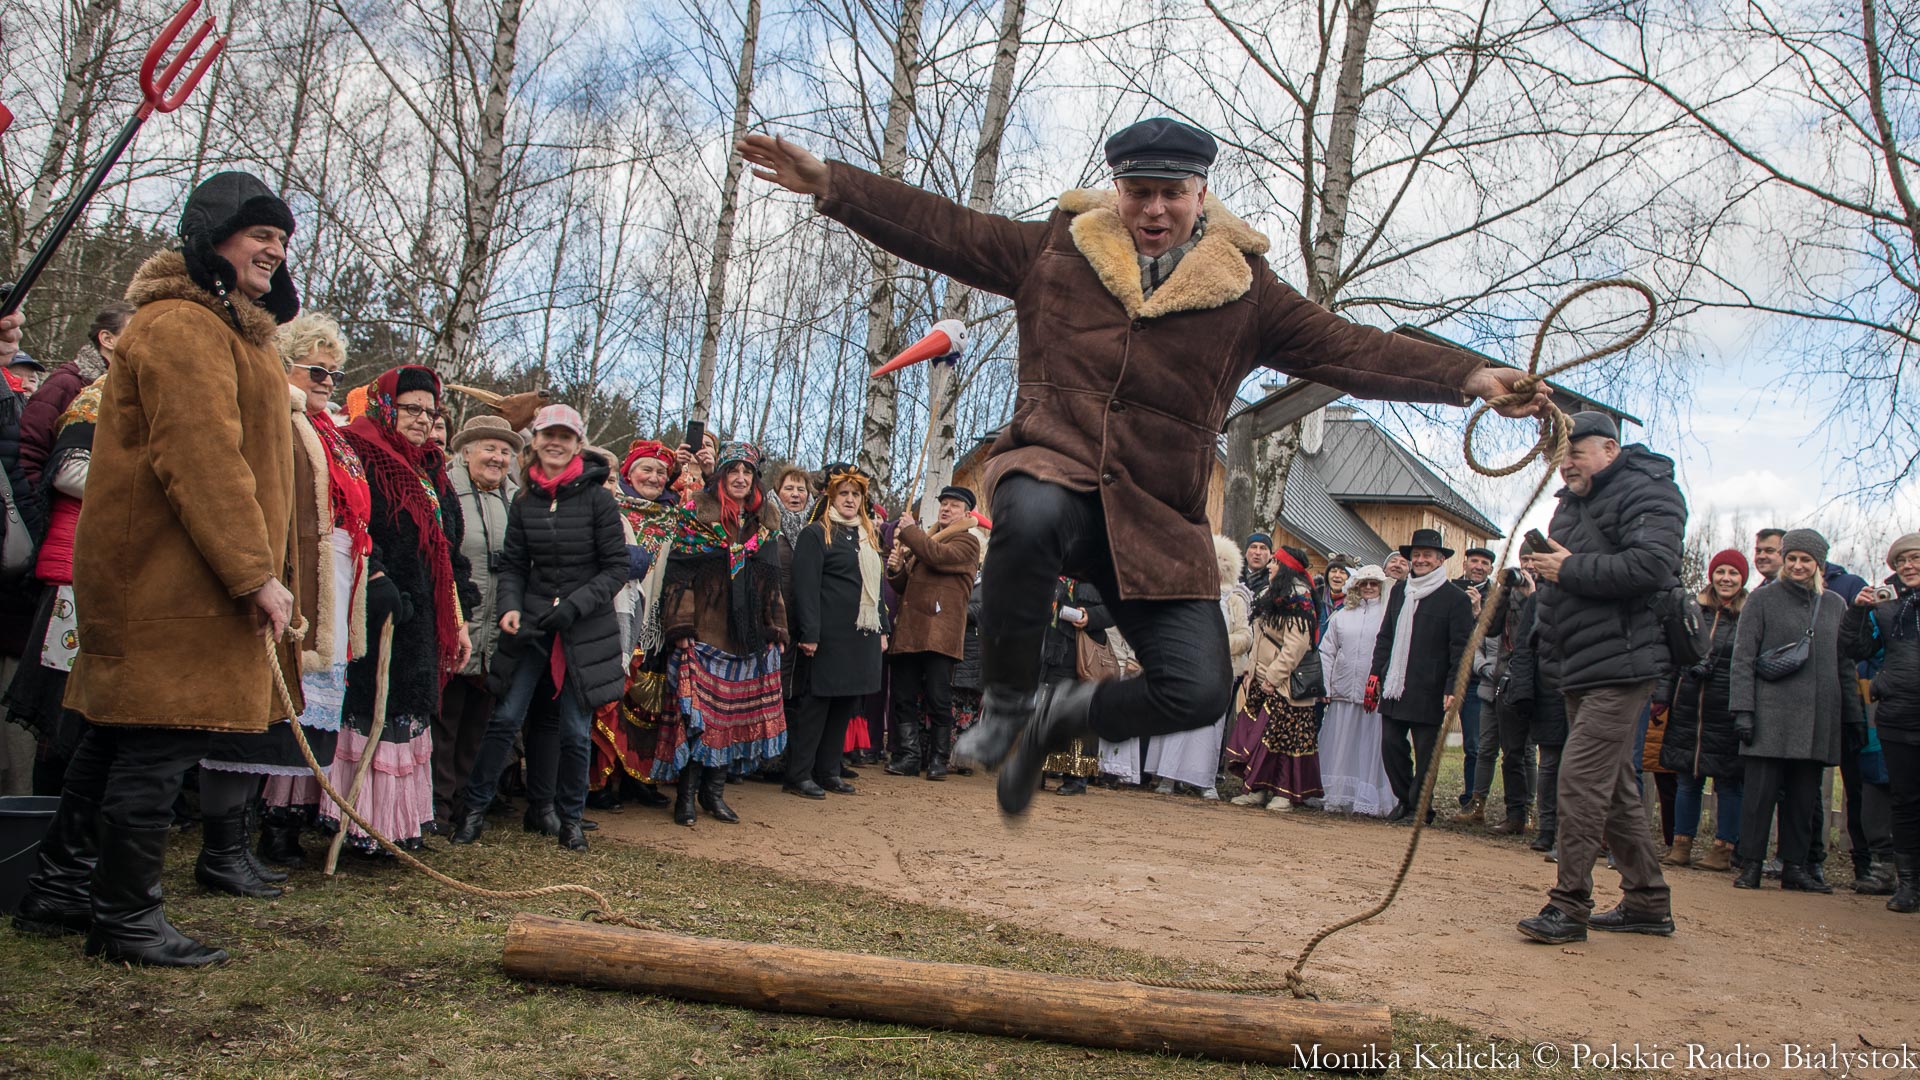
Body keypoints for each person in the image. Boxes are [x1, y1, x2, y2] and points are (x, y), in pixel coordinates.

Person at [738, 118, 1547, 817]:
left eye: (1172, 193)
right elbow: (946, 228)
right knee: (1030, 514)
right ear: (1116, 190)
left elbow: (1352, 348)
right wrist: (832, 184)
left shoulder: (1247, 292)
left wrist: (1467, 377)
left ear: (1201, 195)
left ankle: (1056, 719)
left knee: (1194, 689)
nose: (1153, 210)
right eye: (1138, 192)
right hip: (1053, 465)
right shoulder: (1055, 250)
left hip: (1157, 522)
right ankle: (1009, 702)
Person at [11, 172, 302, 964]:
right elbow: (201, 459)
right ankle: (127, 920)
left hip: (176, 576)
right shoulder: (182, 327)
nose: (275, 248)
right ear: (213, 237)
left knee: (113, 736)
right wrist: (253, 573)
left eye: (282, 238)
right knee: (154, 745)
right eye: (260, 233)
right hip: (167, 579)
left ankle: (64, 891)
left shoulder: (227, 333)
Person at [205, 314, 370, 885]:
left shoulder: (327, 429)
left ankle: (237, 844)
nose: (328, 379)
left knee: (286, 714)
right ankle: (220, 851)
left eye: (335, 370)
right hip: (282, 579)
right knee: (254, 713)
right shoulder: (276, 413)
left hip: (328, 587)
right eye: (316, 368)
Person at [1516, 411, 1683, 945]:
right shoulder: (1571, 505)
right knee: (1613, 790)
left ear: (1609, 450)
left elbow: (1653, 567)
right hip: (1577, 665)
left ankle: (1569, 906)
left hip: (1623, 663)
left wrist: (1566, 569)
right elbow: (1572, 571)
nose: (1564, 464)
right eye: (1559, 455)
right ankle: (1648, 902)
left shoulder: (1650, 492)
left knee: (1581, 778)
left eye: (1575, 452)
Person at [450, 405, 628, 851]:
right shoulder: (524, 499)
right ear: (536, 439)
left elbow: (615, 568)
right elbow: (513, 564)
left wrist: (574, 606)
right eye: (549, 434)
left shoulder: (599, 499)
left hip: (583, 628)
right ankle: (473, 811)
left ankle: (570, 819)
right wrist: (510, 605)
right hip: (531, 625)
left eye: (565, 437)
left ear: (577, 444)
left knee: (573, 727)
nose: (556, 443)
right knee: (506, 717)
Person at [320, 365, 476, 857]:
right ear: (387, 406)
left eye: (430, 411)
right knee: (369, 710)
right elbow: (350, 518)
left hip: (425, 615)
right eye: (411, 408)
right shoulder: (361, 451)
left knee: (406, 711)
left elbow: (450, 545)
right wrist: (380, 577)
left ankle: (393, 826)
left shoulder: (432, 469)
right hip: (377, 607)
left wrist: (460, 610)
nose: (422, 419)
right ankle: (355, 823)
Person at [658, 441, 788, 825]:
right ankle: (685, 796)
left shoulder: (765, 524)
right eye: (734, 471)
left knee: (730, 720)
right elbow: (678, 576)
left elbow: (771, 583)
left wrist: (777, 628)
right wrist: (680, 626)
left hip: (747, 636)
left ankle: (713, 794)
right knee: (699, 718)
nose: (741, 479)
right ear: (722, 476)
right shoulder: (696, 514)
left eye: (748, 473)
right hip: (705, 632)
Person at [1728, 528, 1857, 892]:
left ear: (1818, 564)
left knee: (1804, 796)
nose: (1798, 565)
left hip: (1817, 715)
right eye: (1793, 558)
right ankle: (1750, 863)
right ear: (1785, 560)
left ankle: (1795, 866)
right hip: (1769, 714)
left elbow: (1844, 662)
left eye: (1806, 560)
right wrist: (1743, 710)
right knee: (1759, 795)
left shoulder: (1834, 605)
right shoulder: (1762, 600)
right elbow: (1743, 658)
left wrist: (1851, 717)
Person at [434, 415, 522, 831]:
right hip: (457, 620)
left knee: (478, 724)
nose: (498, 458)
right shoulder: (446, 491)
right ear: (465, 452)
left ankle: (463, 807)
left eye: (505, 452)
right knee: (444, 721)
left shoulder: (515, 501)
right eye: (489, 448)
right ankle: (434, 807)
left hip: (497, 632)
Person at [789, 465, 892, 798]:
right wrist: (809, 632)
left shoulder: (866, 536)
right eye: (844, 493)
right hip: (827, 636)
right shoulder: (816, 533)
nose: (850, 499)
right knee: (817, 705)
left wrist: (883, 628)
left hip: (861, 634)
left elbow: (875, 585)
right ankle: (799, 773)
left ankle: (828, 770)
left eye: (856, 494)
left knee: (845, 705)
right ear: (830, 496)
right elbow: (805, 588)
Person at [1368, 529, 1474, 824]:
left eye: (1428, 555)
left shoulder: (1455, 599)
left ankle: (1420, 808)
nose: (1421, 560)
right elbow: (1385, 636)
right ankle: (1405, 799)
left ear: (1440, 560)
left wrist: (1454, 686)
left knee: (1426, 752)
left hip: (1431, 687)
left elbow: (1461, 649)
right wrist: (1376, 674)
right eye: (1416, 555)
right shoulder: (1400, 591)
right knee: (1390, 745)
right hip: (1395, 686)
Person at [883, 486, 984, 780]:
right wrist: (898, 569)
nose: (946, 509)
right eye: (943, 504)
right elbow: (905, 588)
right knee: (903, 697)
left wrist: (910, 532)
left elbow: (937, 556)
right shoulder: (924, 540)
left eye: (953, 506)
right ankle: (909, 757)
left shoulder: (967, 543)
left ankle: (939, 760)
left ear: (967, 514)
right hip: (910, 632)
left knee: (938, 699)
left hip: (940, 634)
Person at [1656, 548, 1747, 873]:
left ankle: (1724, 848)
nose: (1726, 578)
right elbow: (1673, 655)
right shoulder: (1694, 609)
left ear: (1742, 579)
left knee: (1727, 782)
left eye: (1733, 573)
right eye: (1721, 572)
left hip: (1726, 708)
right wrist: (1663, 697)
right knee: (1687, 780)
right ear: (1712, 575)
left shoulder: (1748, 614)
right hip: (1688, 706)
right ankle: (1681, 844)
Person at [1843, 532, 1920, 911]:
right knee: (1904, 801)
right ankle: (1908, 886)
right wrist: (1858, 611)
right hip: (1898, 715)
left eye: (1915, 558)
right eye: (1901, 561)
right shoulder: (1887, 608)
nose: (1908, 566)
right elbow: (1855, 649)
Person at [1148, 536, 1251, 799]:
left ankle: (1203, 780)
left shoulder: (1235, 599)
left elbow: (1246, 635)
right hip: (1185, 666)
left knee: (1209, 727)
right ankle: (1169, 776)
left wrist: (1220, 642)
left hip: (1218, 669)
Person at [1223, 545, 1323, 809]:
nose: (1269, 565)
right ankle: (1256, 788)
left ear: (1287, 568)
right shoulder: (1268, 594)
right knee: (1257, 738)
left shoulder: (1299, 599)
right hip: (1260, 678)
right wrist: (1250, 670)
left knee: (1284, 740)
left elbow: (1296, 646)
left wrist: (1274, 677)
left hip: (1285, 683)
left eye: (1275, 562)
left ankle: (1285, 793)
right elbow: (1257, 637)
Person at [18, 301, 132, 491]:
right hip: (60, 507)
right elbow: (28, 452)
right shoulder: (66, 383)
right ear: (107, 339)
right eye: (137, 332)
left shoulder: (127, 388)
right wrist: (32, 513)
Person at [1316, 563, 1395, 815]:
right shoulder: (1341, 616)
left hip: (1372, 694)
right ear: (1357, 587)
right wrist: (1326, 685)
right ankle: (1337, 794)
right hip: (1342, 691)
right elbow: (1327, 652)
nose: (1369, 588)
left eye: (1374, 584)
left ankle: (1368, 797)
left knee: (1369, 747)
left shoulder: (1387, 616)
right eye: (1365, 583)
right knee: (1341, 745)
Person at [1505, 587, 1566, 855]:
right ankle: (1548, 828)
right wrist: (1523, 692)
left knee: (1581, 768)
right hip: (1548, 691)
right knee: (1549, 764)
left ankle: (1575, 833)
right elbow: (1524, 648)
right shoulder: (1539, 599)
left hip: (1583, 688)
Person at [1454, 546, 1497, 815]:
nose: (1478, 566)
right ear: (1465, 563)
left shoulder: (1498, 596)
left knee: (1474, 743)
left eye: (1484, 563)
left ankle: (1473, 799)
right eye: (1474, 561)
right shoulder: (1450, 588)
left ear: (1490, 569)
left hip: (1475, 679)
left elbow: (1493, 637)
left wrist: (1478, 611)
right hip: (1446, 673)